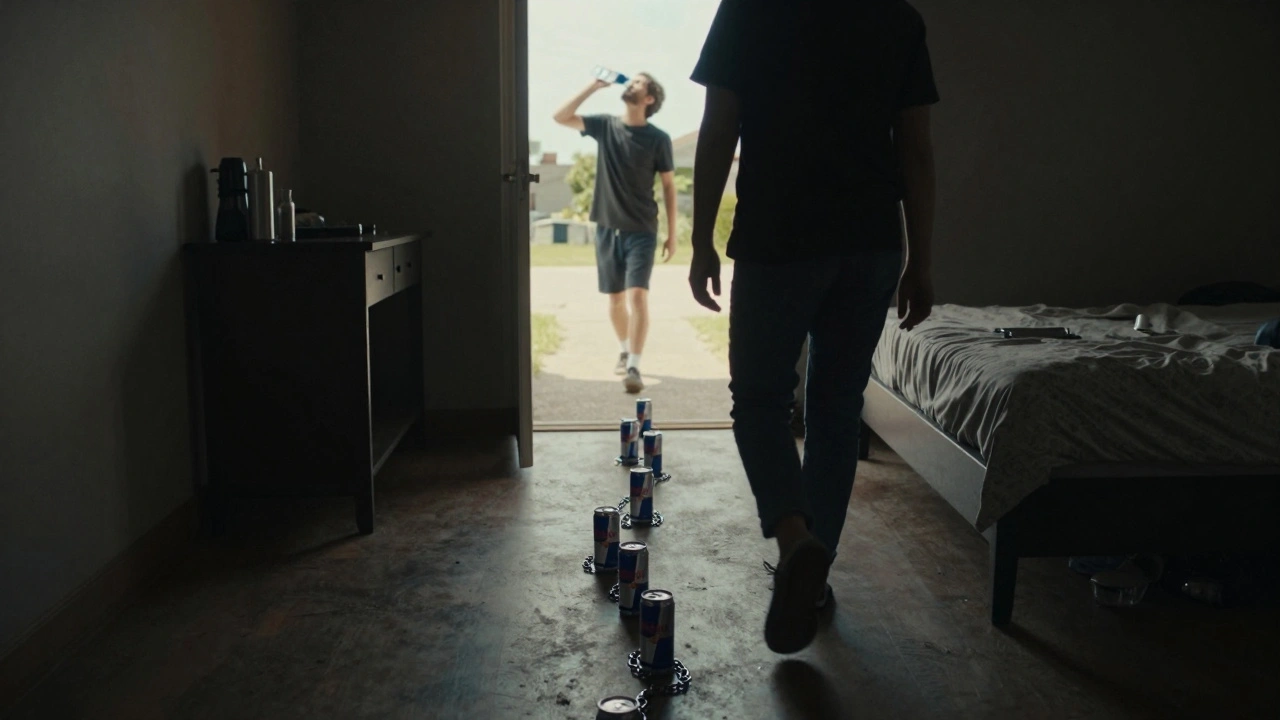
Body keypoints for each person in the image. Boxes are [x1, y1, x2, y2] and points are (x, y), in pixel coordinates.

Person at [689, 0, 939, 654]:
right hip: (872, 243)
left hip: (781, 236)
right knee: (835, 408)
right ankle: (816, 577)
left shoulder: (749, 8)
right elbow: (915, 148)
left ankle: (796, 539)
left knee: (760, 401)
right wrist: (922, 260)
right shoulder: (897, 18)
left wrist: (700, 240)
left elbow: (720, 126)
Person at [554, 73, 678, 394]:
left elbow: (668, 185)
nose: (630, 85)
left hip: (642, 229)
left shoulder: (658, 138)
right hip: (607, 228)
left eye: (638, 83)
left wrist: (672, 233)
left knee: (637, 295)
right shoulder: (606, 126)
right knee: (615, 300)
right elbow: (560, 117)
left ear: (649, 99)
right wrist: (592, 86)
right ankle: (625, 349)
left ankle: (635, 364)